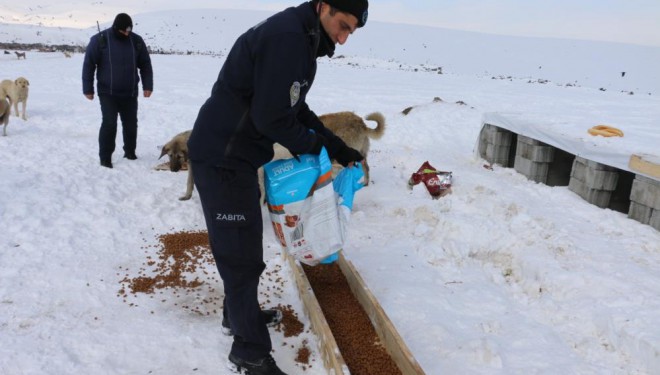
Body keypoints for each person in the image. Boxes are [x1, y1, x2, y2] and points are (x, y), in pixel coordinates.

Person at [187, 0, 368, 373]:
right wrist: (316, 149)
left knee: (242, 246)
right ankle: (249, 352)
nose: (344, 37)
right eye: (343, 25)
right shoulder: (288, 38)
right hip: (222, 156)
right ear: (323, 6)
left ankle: (236, 316)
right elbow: (271, 118)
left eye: (351, 31)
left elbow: (295, 109)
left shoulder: (303, 39)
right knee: (240, 256)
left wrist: (335, 146)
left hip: (236, 156)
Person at [82, 13, 153, 168]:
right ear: (116, 28)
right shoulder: (100, 40)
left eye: (129, 31)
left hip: (130, 92)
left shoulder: (136, 41)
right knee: (109, 123)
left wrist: (147, 85)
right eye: (124, 31)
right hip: (108, 92)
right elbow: (89, 64)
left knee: (131, 124)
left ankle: (130, 151)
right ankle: (105, 156)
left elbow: (145, 64)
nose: (127, 34)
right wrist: (88, 88)